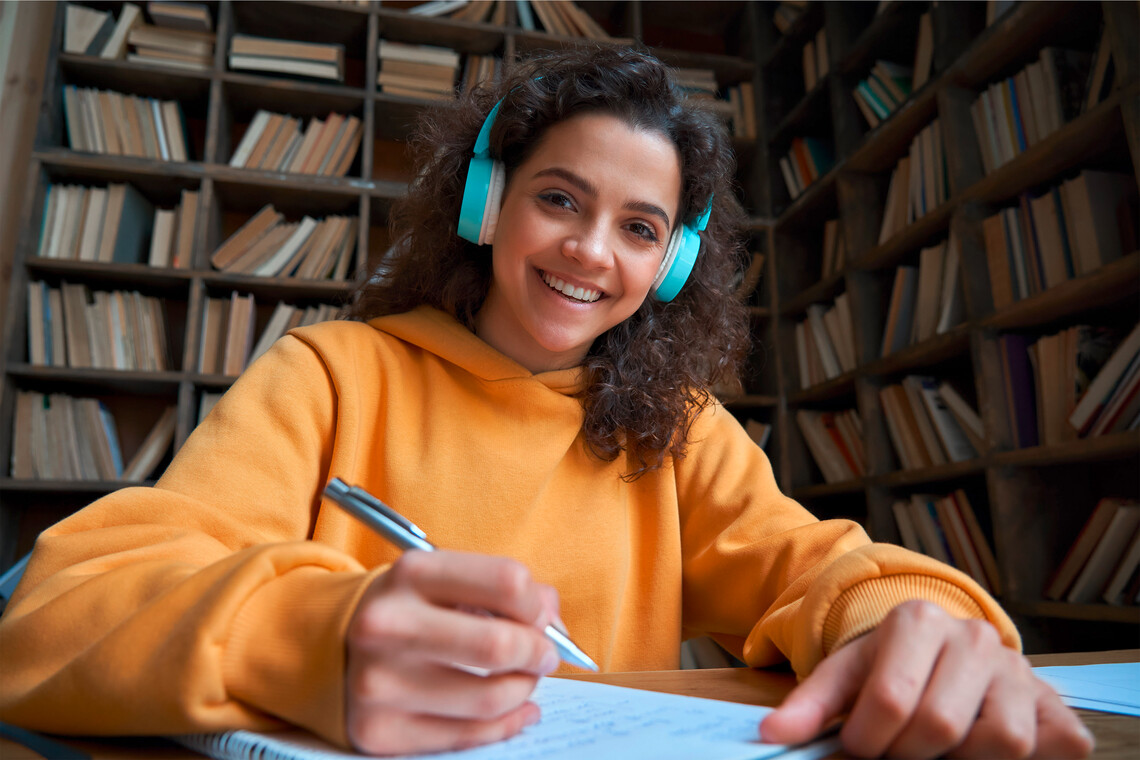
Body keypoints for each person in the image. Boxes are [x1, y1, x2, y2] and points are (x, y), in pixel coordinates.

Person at [0, 45, 1092, 759]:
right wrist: (300, 636)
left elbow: (816, 563)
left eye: (638, 226)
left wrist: (919, 619)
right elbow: (54, 611)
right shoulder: (329, 374)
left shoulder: (679, 431)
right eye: (559, 199)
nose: (588, 250)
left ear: (669, 264)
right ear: (486, 202)